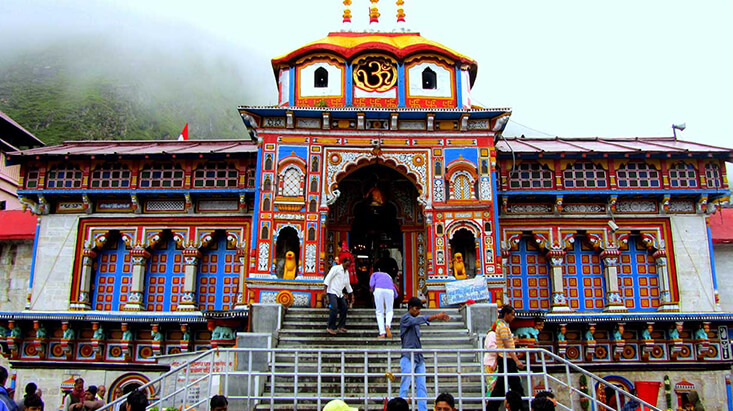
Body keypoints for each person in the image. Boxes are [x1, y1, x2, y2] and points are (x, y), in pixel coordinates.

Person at [399, 297, 450, 411]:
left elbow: (420, 320)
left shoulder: (415, 320)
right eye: (417, 309)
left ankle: (423, 409)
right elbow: (419, 319)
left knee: (422, 386)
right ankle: (401, 408)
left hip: (418, 356)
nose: (418, 312)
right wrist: (436, 316)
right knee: (405, 384)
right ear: (410, 308)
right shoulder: (406, 319)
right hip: (408, 356)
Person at [487, 305, 526, 411]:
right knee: (513, 385)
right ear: (506, 314)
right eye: (512, 315)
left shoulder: (502, 325)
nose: (513, 317)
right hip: (507, 359)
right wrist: (516, 360)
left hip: (506, 358)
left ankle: (492, 408)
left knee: (506, 385)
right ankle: (523, 407)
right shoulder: (503, 327)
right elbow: (506, 345)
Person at [323, 257, 354, 336]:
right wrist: (325, 290)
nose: (348, 266)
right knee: (334, 308)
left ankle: (341, 325)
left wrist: (351, 296)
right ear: (343, 262)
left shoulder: (346, 273)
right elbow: (328, 278)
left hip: (339, 293)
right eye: (347, 264)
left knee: (344, 307)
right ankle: (330, 326)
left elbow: (347, 285)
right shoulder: (335, 269)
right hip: (332, 291)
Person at [369, 265, 397, 338]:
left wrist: (372, 290)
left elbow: (371, 284)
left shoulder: (374, 274)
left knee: (379, 311)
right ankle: (388, 325)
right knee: (389, 310)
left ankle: (382, 333)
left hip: (379, 290)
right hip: (390, 291)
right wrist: (395, 296)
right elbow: (393, 287)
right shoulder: (388, 276)